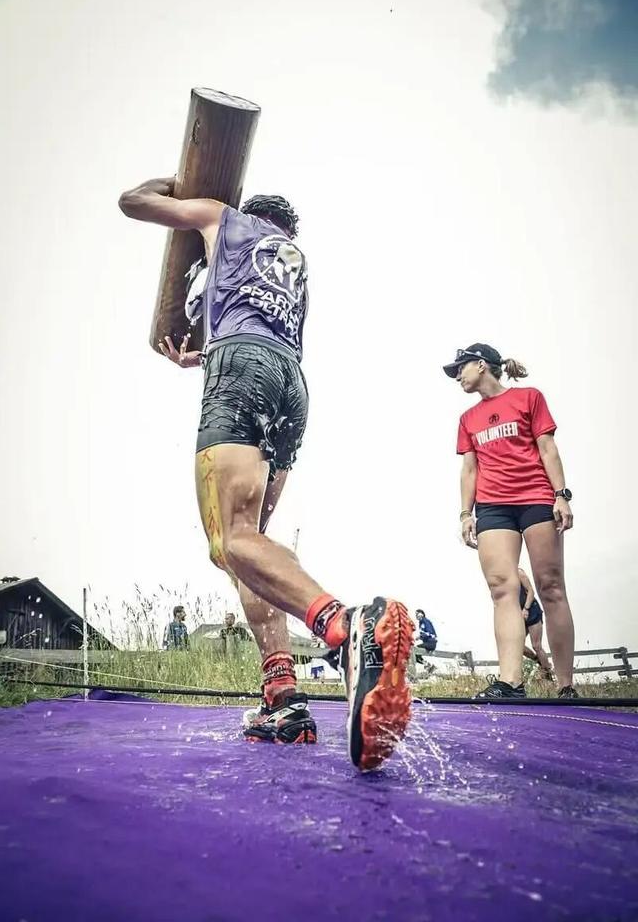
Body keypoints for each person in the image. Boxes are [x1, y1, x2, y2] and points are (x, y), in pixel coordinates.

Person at [118, 177, 414, 769]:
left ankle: (347, 626)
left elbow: (132, 202)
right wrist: (199, 354)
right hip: (290, 383)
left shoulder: (222, 216)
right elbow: (252, 318)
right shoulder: (293, 262)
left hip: (241, 370)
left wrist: (176, 186)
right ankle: (283, 695)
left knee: (231, 540)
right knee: (250, 546)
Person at [443, 343, 577, 700]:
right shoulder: (467, 419)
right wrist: (465, 513)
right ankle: (511, 682)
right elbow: (469, 469)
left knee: (550, 586)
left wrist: (561, 495)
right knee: (502, 588)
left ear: (481, 365)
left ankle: (566, 685)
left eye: (460, 368)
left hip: (536, 498)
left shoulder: (529, 398)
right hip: (493, 507)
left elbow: (547, 448)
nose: (457, 376)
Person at [518, 567, 553, 680]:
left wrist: (526, 608)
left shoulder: (519, 573)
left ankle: (547, 674)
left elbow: (531, 591)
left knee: (536, 645)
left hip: (531, 610)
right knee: (518, 645)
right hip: (518, 614)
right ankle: (538, 661)